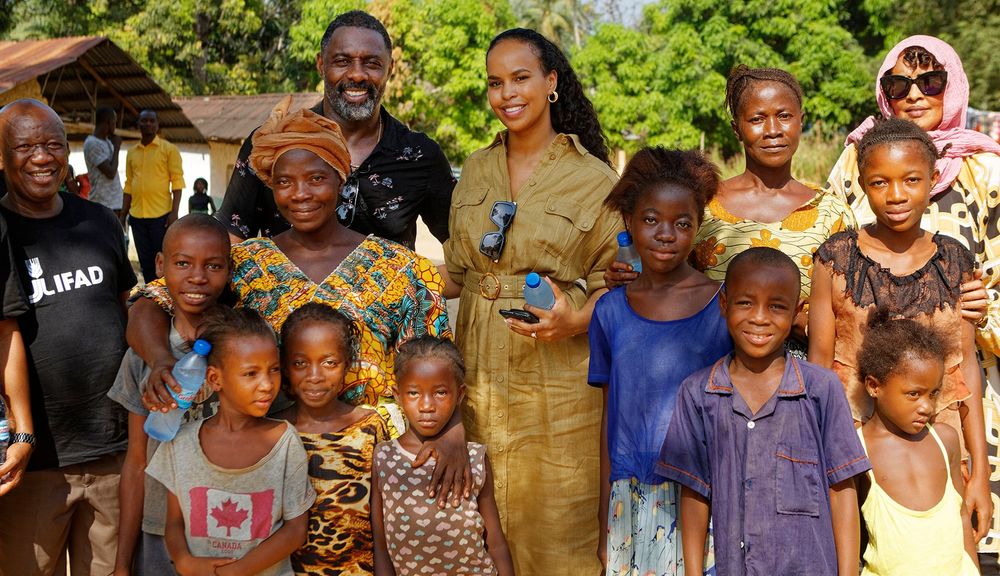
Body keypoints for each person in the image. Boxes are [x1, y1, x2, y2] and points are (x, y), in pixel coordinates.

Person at [129, 97, 468, 502]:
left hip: (372, 475)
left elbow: (438, 365)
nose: (300, 194)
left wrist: (454, 432)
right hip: (265, 472)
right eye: (285, 182)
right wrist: (161, 359)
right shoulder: (244, 265)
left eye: (316, 179)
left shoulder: (398, 269)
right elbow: (149, 301)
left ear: (341, 179)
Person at [442, 28, 620, 573]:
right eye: (496, 82)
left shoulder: (593, 178)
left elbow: (618, 284)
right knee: (480, 526)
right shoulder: (474, 169)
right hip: (479, 374)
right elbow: (453, 275)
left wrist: (574, 321)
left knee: (559, 525)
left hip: (561, 384)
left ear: (551, 83)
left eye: (521, 78)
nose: (507, 93)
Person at [824, 36, 1000, 558]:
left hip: (954, 387)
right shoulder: (853, 164)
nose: (915, 94)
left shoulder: (985, 173)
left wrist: (985, 312)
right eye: (898, 84)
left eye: (931, 81)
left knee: (954, 532)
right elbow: (830, 263)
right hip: (866, 389)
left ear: (954, 85)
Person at [607, 66, 855, 355]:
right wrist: (627, 277)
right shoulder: (702, 207)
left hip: (802, 376)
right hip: (703, 368)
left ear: (801, 121)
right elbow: (663, 282)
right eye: (757, 119)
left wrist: (801, 322)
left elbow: (847, 315)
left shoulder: (831, 213)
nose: (773, 130)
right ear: (737, 128)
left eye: (784, 116)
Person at [659, 247, 871, 575]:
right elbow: (694, 491)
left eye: (776, 306)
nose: (759, 317)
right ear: (724, 304)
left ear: (798, 312)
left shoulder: (821, 390)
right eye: (745, 302)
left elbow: (842, 489)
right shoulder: (699, 393)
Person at [0, 98, 138, 576]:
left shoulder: (98, 221)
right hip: (33, 461)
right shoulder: (0, 232)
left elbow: (127, 309)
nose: (42, 157)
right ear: (2, 157)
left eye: (53, 144)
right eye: (25, 146)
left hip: (111, 451)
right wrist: (20, 431)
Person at [589, 148, 732, 574]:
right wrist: (603, 523)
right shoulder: (610, 311)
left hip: (703, 494)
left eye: (682, 222)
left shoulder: (722, 306)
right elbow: (607, 421)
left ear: (698, 226)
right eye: (651, 220)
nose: (666, 233)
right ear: (629, 223)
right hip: (630, 498)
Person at [217, 10, 454, 250]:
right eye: (342, 61)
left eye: (372, 63)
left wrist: (415, 281)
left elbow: (463, 249)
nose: (357, 74)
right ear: (321, 64)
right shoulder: (273, 144)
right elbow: (228, 244)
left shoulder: (420, 155)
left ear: (390, 69)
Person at [146, 306, 315, 576]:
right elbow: (175, 522)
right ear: (215, 378)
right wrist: (184, 561)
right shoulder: (182, 443)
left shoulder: (284, 441)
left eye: (273, 370)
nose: (267, 384)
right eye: (251, 374)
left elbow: (295, 530)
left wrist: (235, 571)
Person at [107, 214, 232, 576]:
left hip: (229, 526)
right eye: (182, 263)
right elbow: (136, 462)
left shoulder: (244, 351)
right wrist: (121, 563)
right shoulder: (141, 358)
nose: (197, 277)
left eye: (213, 266)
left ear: (228, 269)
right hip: (157, 528)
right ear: (160, 265)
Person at [372, 336, 514, 576]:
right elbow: (381, 545)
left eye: (440, 393)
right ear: (397, 395)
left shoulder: (474, 457)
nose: (427, 405)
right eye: (414, 393)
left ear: (459, 395)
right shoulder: (383, 457)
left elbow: (496, 542)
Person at [855, 311, 979, 575]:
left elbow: (961, 517)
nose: (927, 406)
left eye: (933, 393)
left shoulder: (945, 440)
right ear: (874, 386)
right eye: (914, 394)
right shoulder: (857, 450)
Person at [275, 303, 390, 574]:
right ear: (286, 367)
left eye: (329, 363)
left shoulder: (369, 427)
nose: (315, 376)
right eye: (301, 363)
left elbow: (380, 517)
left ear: (346, 364)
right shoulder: (273, 431)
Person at [124, 109, 185, 282]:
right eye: (144, 121)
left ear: (157, 125)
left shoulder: (169, 149)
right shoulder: (131, 153)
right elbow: (129, 184)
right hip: (136, 216)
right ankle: (151, 294)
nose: (148, 124)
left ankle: (165, 294)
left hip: (161, 216)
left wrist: (174, 213)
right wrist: (123, 214)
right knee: (145, 261)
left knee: (162, 257)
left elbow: (177, 182)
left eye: (152, 121)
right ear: (138, 125)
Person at [84, 106, 124, 215]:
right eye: (114, 123)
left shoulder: (107, 141)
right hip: (103, 203)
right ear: (108, 122)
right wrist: (116, 148)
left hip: (115, 203)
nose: (115, 127)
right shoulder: (92, 143)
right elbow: (110, 172)